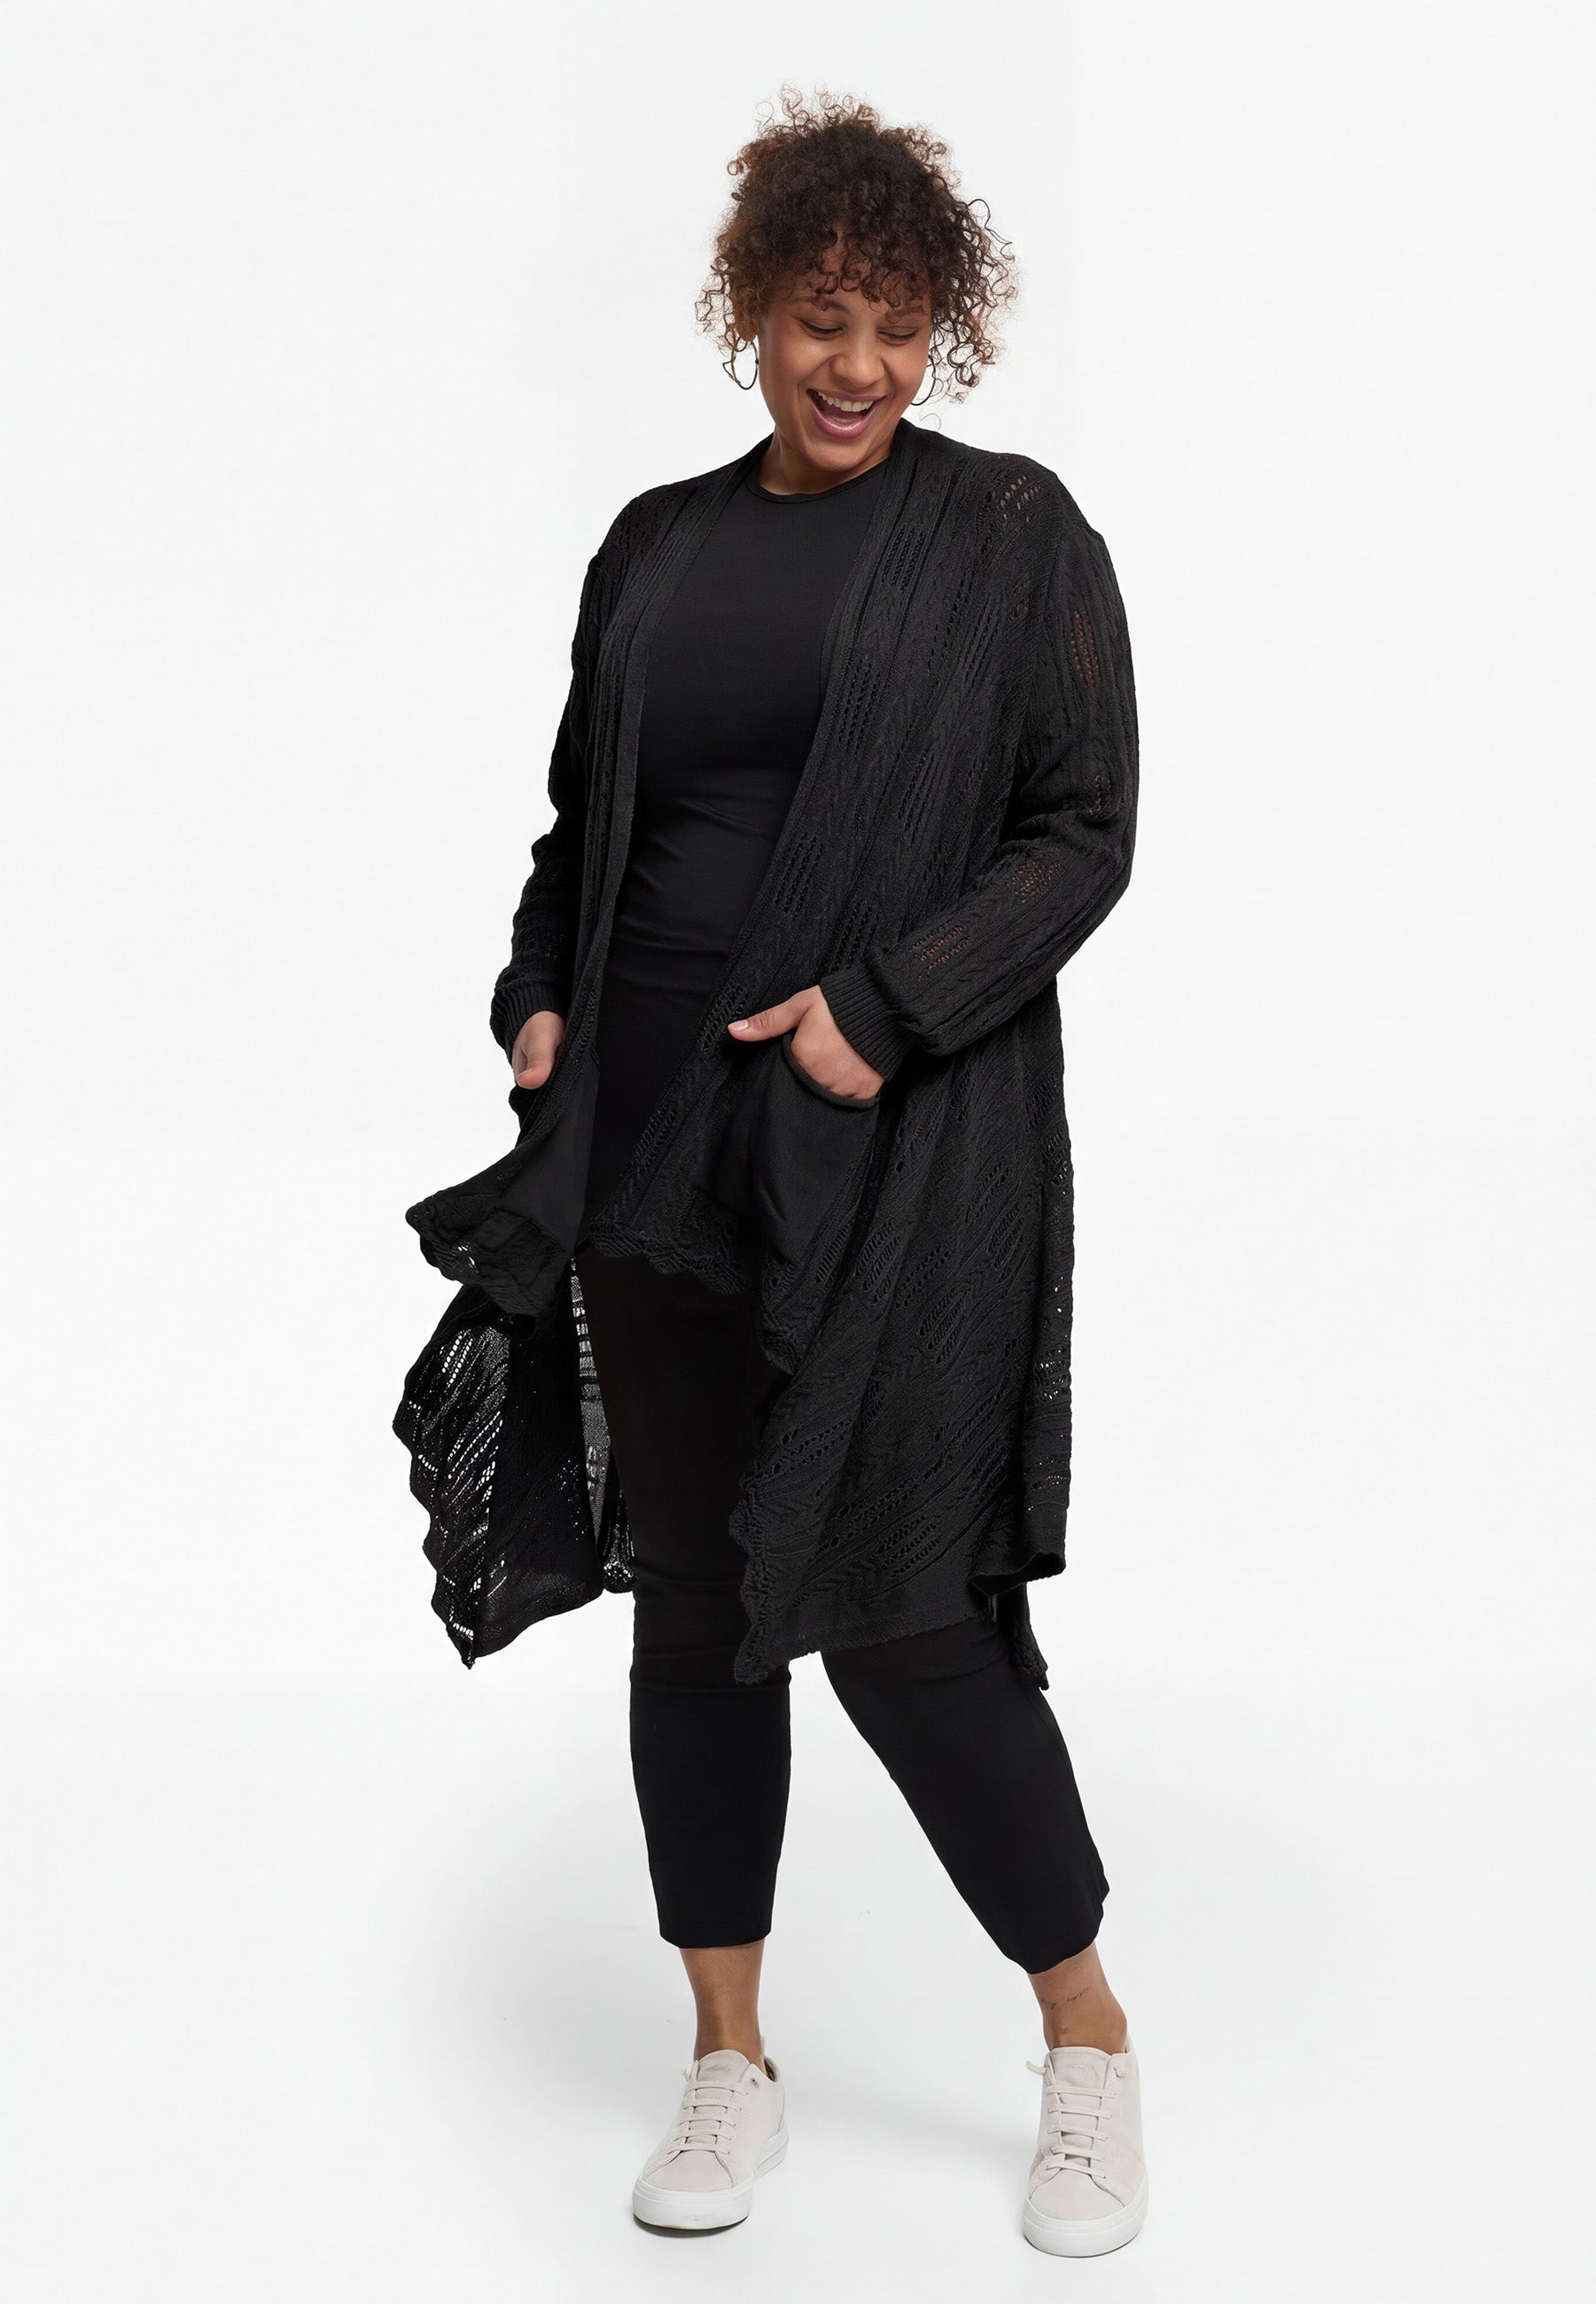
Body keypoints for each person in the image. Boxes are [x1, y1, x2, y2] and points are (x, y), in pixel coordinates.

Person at [395, 90, 1144, 2258]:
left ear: (944, 333)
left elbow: (1082, 828)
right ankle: (728, 2057)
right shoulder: (655, 546)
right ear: (753, 311)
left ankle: (1087, 2040)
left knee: (906, 1610)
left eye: (899, 328)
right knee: (703, 1619)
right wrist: (538, 995)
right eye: (824, 320)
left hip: (882, 1155)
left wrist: (877, 1009)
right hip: (639, 1155)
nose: (859, 366)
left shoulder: (1008, 535)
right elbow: (581, 832)